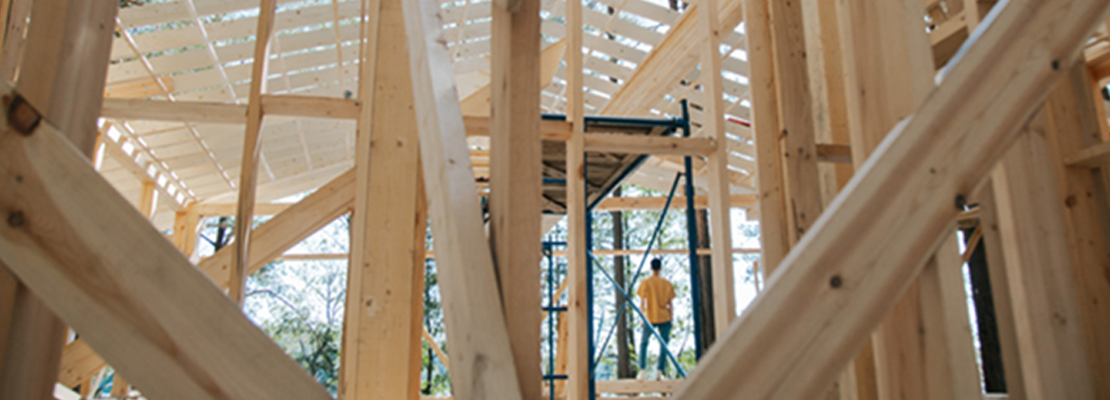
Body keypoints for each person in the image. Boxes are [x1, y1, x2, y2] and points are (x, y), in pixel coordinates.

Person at [635, 258, 675, 380]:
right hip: (664, 317)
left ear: (651, 268)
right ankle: (660, 371)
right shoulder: (667, 284)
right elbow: (670, 304)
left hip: (650, 317)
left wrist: (642, 317)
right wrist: (671, 318)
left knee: (644, 343)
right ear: (661, 268)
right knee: (664, 345)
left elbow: (642, 302)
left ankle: (642, 371)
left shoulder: (646, 283)